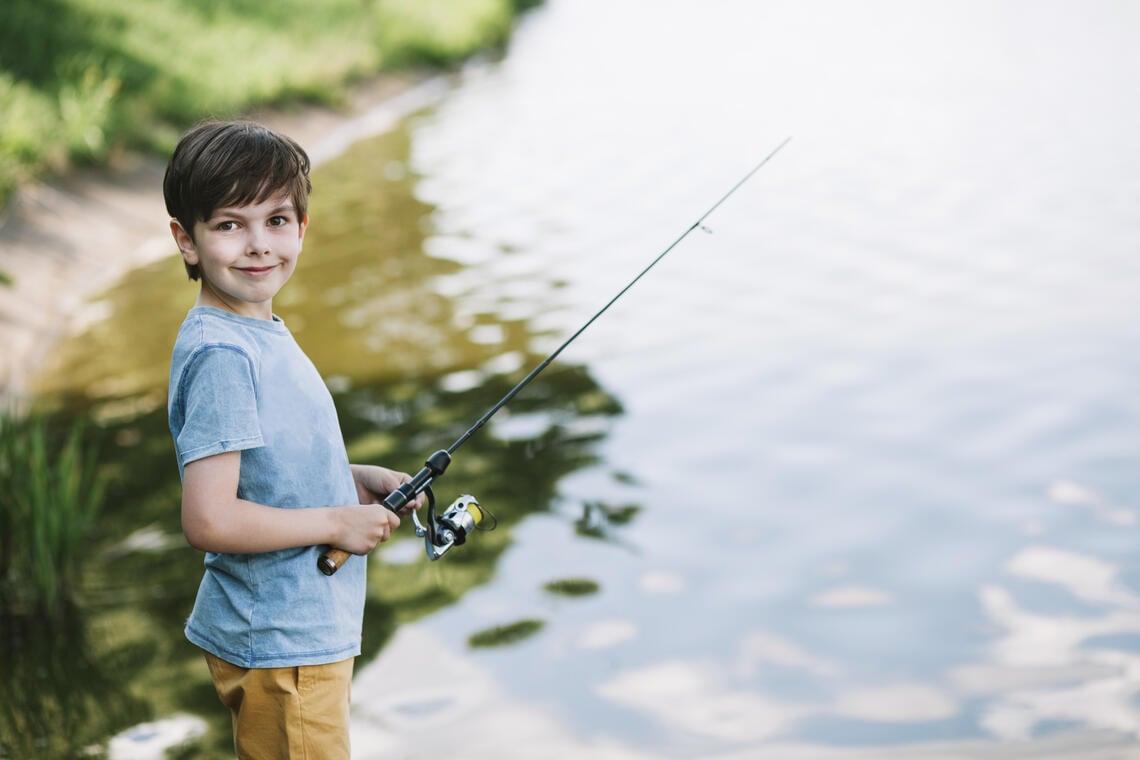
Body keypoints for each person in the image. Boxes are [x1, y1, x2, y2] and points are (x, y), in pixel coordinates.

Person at [163, 119, 421, 759]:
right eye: (229, 225)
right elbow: (210, 517)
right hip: (282, 641)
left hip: (297, 634)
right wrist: (336, 519)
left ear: (302, 228)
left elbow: (263, 463)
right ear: (186, 241)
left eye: (276, 221)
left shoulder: (259, 328)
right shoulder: (225, 355)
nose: (257, 245)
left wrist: (349, 480)